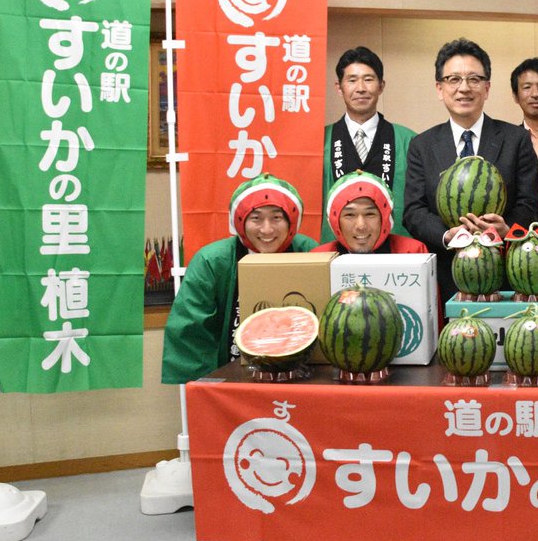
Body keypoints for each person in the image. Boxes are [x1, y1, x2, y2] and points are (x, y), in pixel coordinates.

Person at [403, 38, 538, 303]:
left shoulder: (516, 139)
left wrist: (508, 229)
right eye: (454, 79)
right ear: (439, 88)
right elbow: (414, 211)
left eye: (474, 79)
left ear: (487, 88)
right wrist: (447, 235)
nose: (464, 88)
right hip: (446, 277)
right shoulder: (422, 145)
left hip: (505, 276)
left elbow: (530, 203)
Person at [161, 173, 318, 384]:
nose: (267, 229)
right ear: (240, 221)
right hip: (231, 378)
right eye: (256, 218)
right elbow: (191, 331)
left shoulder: (310, 253)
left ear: (291, 221)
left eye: (276, 218)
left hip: (300, 378)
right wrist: (209, 387)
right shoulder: (212, 261)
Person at [321, 46, 416, 243]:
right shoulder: (321, 141)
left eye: (368, 79)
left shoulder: (409, 141)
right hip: (335, 253)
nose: (361, 88)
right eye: (352, 80)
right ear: (339, 88)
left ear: (381, 86)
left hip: (396, 254)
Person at [314, 171, 428, 255]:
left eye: (370, 214)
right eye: (350, 215)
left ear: (384, 218)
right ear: (335, 221)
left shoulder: (412, 253)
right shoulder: (319, 258)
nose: (361, 226)